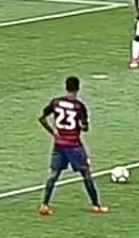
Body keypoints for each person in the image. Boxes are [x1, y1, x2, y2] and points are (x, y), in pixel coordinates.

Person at [37, 76, 108, 216]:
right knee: (86, 173)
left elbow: (42, 118)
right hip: (74, 145)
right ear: (78, 88)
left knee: (54, 174)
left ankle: (44, 204)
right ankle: (96, 205)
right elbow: (85, 127)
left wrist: (53, 132)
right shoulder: (79, 106)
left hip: (59, 144)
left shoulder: (56, 102)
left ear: (66, 87)